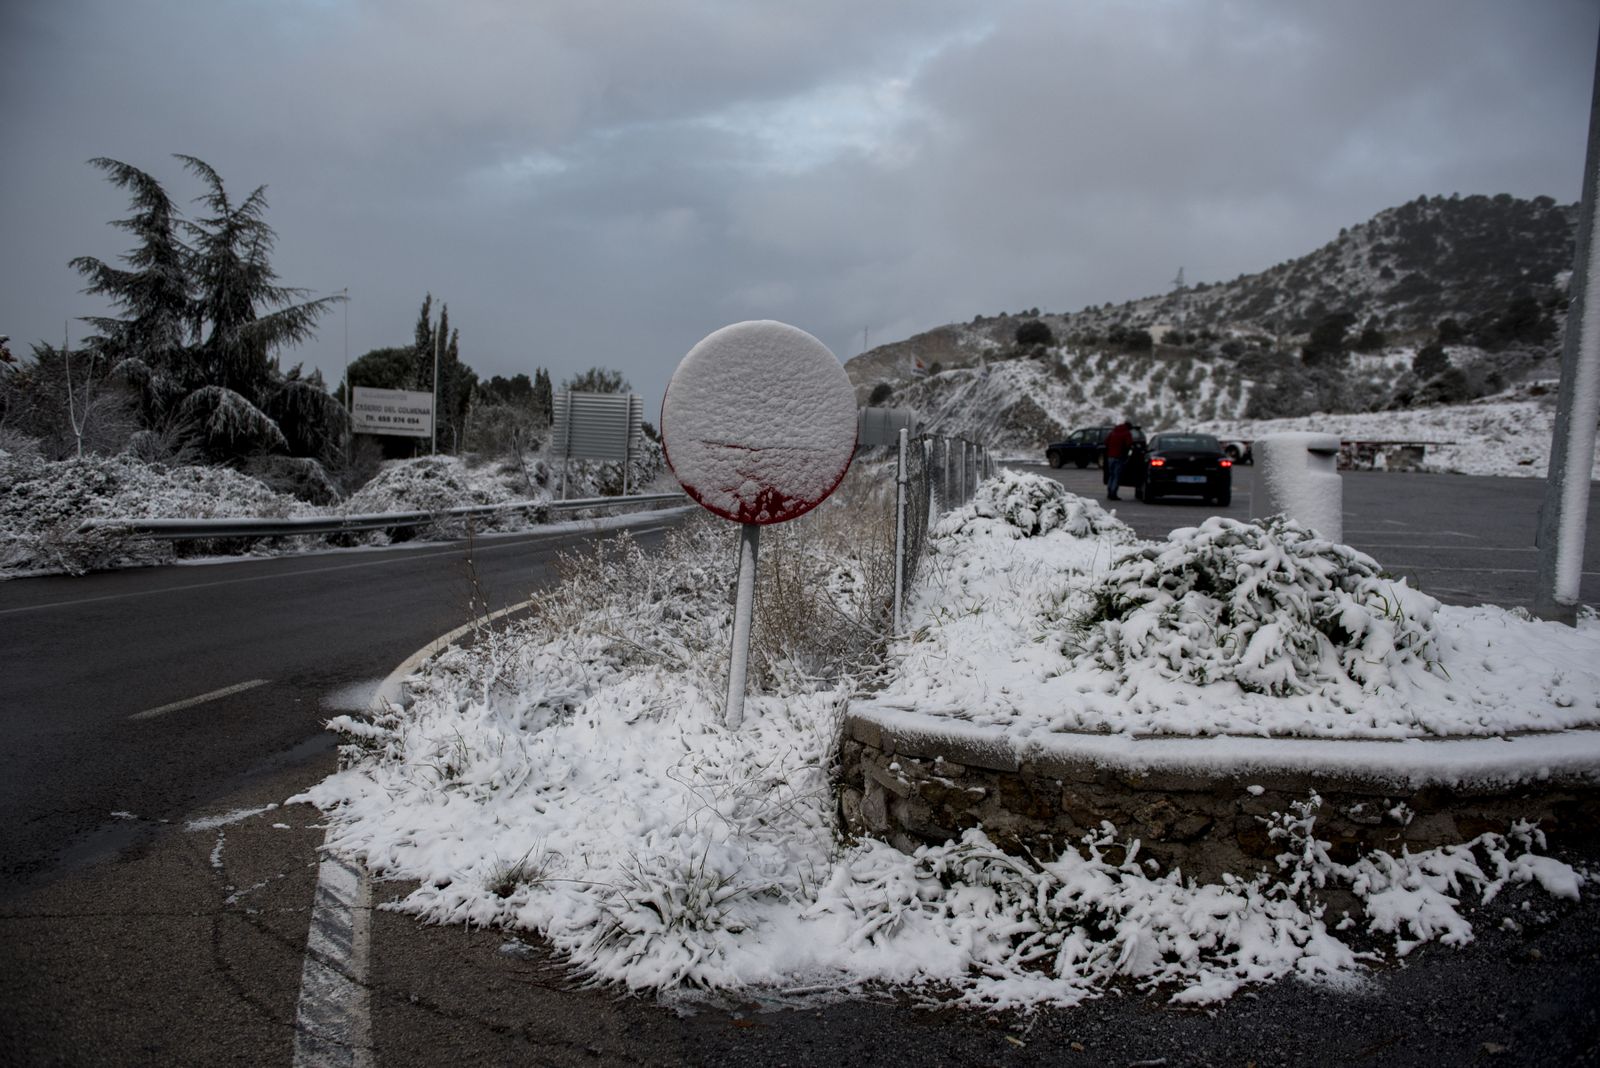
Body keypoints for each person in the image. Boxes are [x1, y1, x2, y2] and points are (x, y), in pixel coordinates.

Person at [1104, 420, 1134, 501]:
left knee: (1111, 475)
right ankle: (1113, 493)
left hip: (1110, 456)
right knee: (1116, 476)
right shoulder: (1127, 433)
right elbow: (1129, 444)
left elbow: (1106, 442)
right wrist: (1127, 454)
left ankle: (1109, 492)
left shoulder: (1113, 431)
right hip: (1119, 457)